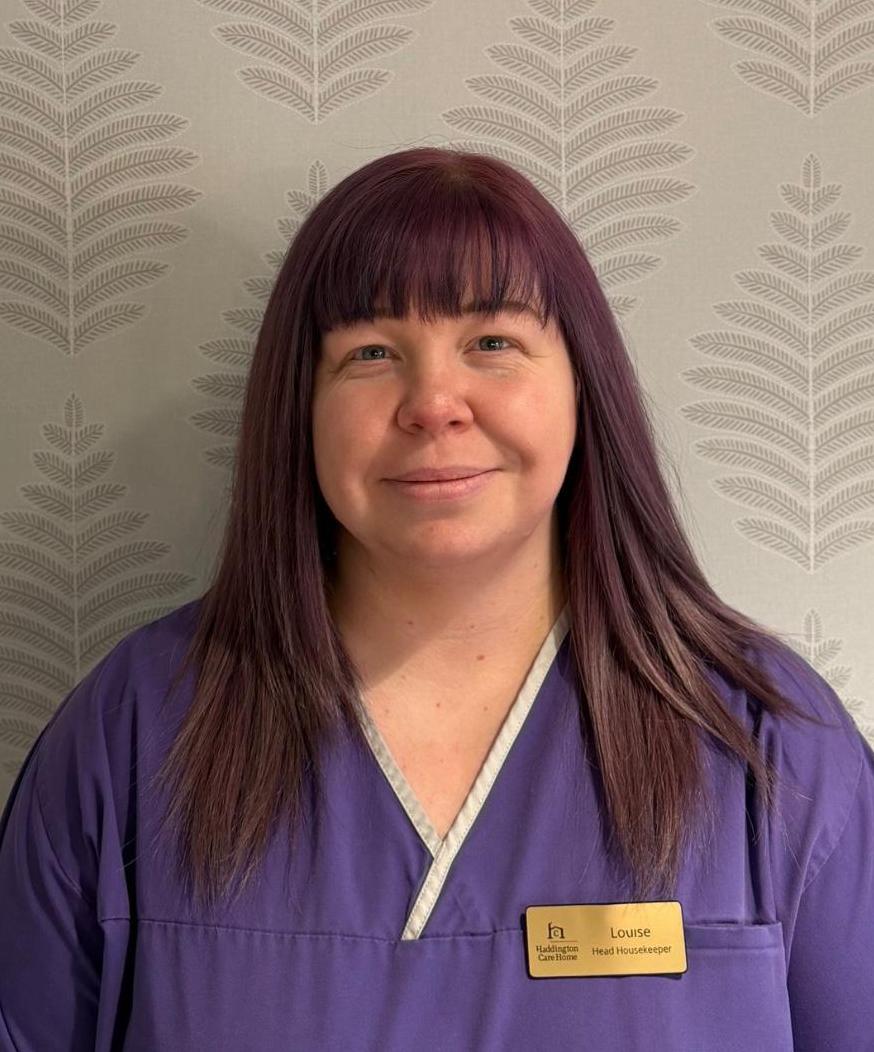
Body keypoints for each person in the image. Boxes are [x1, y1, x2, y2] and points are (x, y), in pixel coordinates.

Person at [1, 147, 872, 1052]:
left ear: (585, 385)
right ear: (298, 407)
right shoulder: (133, 735)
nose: (434, 403)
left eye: (492, 341)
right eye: (371, 353)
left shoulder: (769, 744)